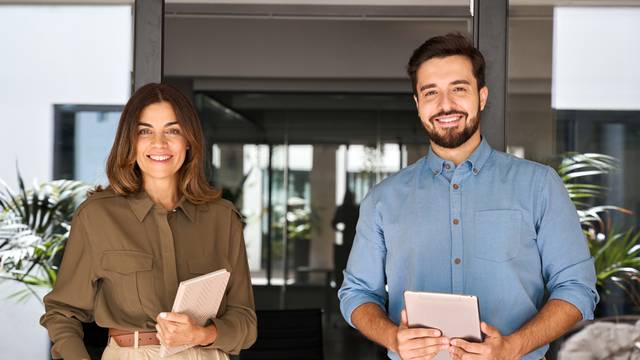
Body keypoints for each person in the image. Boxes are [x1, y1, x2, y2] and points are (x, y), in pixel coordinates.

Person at [338, 33, 598, 360]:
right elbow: (356, 294)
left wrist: (512, 348)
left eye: (458, 89)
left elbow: (577, 288)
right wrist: (393, 337)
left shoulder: (539, 185)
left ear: (482, 96)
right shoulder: (383, 199)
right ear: (418, 104)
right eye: (430, 92)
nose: (445, 104)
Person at [40, 83, 257, 360]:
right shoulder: (96, 217)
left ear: (189, 140)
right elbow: (62, 312)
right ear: (130, 141)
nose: (159, 144)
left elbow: (246, 323)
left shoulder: (222, 218)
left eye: (173, 130)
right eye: (145, 131)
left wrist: (201, 334)